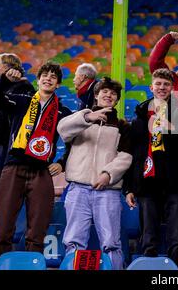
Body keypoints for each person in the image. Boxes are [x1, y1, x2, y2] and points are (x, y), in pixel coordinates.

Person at [0, 61, 72, 264]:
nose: (48, 78)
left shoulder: (63, 112)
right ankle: (1, 267)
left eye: (53, 76)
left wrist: (62, 162)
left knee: (37, 230)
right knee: (3, 227)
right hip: (14, 167)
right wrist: (5, 79)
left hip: (41, 171)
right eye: (45, 74)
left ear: (58, 84)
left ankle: (32, 266)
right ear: (38, 79)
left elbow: (76, 141)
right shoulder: (21, 101)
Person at [58, 77, 132, 270]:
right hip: (77, 189)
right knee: (74, 241)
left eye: (113, 93)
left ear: (117, 100)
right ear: (97, 95)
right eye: (104, 92)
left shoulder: (123, 126)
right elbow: (62, 130)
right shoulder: (81, 120)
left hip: (108, 191)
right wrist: (86, 117)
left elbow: (126, 156)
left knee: (111, 243)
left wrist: (108, 173)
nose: (109, 95)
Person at [125, 68, 178, 269]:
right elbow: (133, 156)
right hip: (148, 182)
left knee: (177, 236)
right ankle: (149, 267)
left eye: (166, 84)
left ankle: (176, 269)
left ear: (172, 88)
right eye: (158, 84)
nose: (162, 87)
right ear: (151, 87)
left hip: (175, 182)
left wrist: (172, 128)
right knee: (148, 237)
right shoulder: (139, 118)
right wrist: (129, 187)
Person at [0, 53, 35, 224]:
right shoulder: (7, 86)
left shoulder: (24, 88)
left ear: (8, 67)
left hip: (8, 148)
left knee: (2, 190)